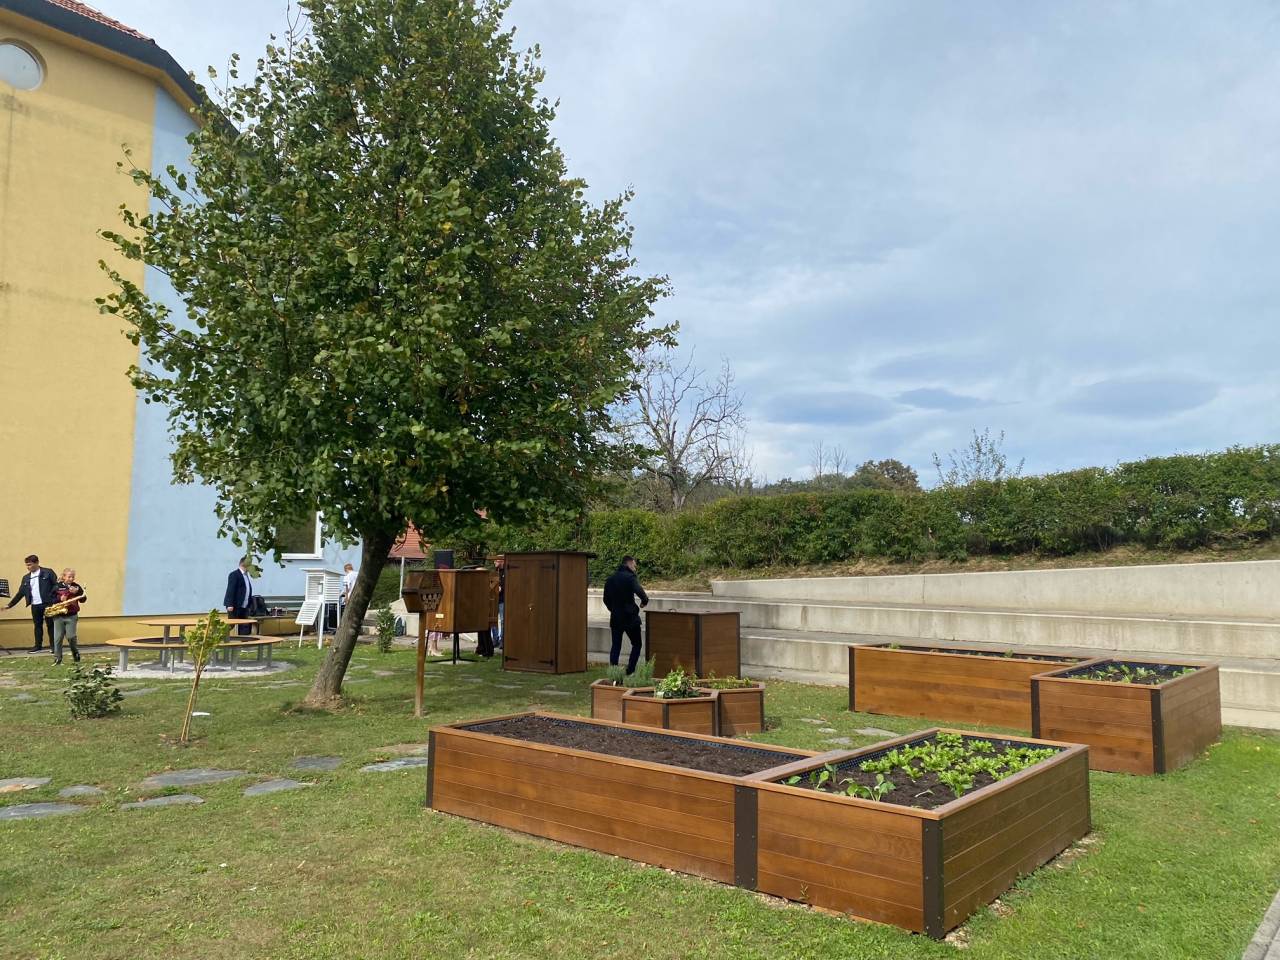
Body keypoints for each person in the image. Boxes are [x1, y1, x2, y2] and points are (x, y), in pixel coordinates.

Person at [603, 555, 649, 675]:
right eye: (634, 565)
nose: (635, 568)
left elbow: (605, 599)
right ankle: (630, 670)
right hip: (630, 618)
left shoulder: (610, 579)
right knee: (637, 644)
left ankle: (614, 673)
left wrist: (613, 609)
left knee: (616, 646)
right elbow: (640, 591)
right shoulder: (630, 577)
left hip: (616, 617)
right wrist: (644, 602)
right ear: (629, 564)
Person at [5, 555, 57, 653]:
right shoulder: (26, 578)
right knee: (37, 625)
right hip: (35, 605)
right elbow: (21, 593)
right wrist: (10, 605)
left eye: (30, 565)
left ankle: (54, 646)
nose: (28, 567)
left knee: (51, 625)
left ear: (37, 563)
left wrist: (52, 598)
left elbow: (56, 586)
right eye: (27, 565)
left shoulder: (48, 572)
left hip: (48, 604)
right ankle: (38, 646)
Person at [49, 568, 85, 665]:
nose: (71, 579)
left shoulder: (76, 586)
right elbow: (50, 599)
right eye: (69, 577)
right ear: (64, 577)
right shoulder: (57, 586)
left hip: (71, 615)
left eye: (73, 577)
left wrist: (77, 592)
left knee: (71, 636)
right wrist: (59, 598)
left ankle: (75, 654)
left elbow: (83, 599)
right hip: (58, 616)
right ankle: (57, 658)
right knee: (58, 638)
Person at [222, 557, 255, 635]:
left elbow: (246, 589)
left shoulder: (246, 575)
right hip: (235, 606)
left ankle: (244, 641)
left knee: (244, 625)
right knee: (231, 624)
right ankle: (220, 636)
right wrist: (229, 604)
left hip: (244, 606)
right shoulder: (234, 575)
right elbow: (230, 589)